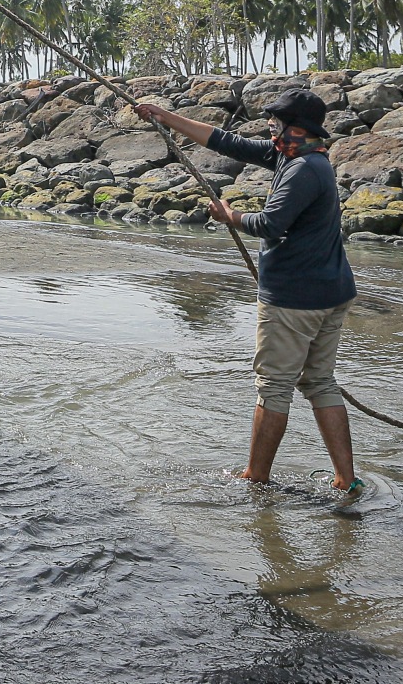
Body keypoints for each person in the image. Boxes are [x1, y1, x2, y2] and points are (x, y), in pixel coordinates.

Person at [135, 88, 364, 501]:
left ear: (295, 126)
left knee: (274, 387)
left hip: (296, 298)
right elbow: (227, 142)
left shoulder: (302, 170)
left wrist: (229, 215)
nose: (269, 127)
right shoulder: (294, 153)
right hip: (331, 290)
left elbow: (270, 224)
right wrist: (165, 116)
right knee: (320, 382)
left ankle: (255, 479)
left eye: (275, 121)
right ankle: (345, 480)